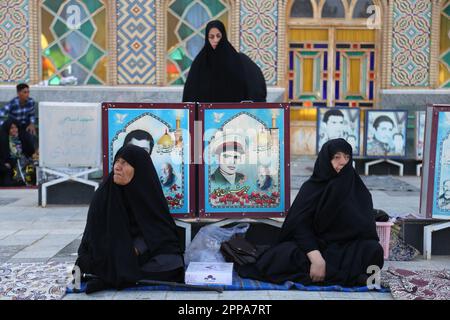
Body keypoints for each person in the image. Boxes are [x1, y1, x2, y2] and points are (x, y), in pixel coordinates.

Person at [237, 139, 384, 287]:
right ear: (326, 159)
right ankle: (349, 277)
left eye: (346, 157)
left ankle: (332, 275)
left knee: (373, 249)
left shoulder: (357, 188)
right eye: (337, 157)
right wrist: (316, 258)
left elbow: (365, 230)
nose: (343, 162)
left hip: (345, 249)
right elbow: (299, 226)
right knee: (280, 256)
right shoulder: (312, 187)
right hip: (314, 246)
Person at [76, 145, 184, 293]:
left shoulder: (147, 192)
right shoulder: (105, 194)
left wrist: (137, 248)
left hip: (140, 252)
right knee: (88, 263)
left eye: (125, 163)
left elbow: (159, 229)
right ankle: (117, 273)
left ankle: (115, 275)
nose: (118, 167)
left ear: (138, 168)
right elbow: (93, 234)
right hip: (109, 252)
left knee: (173, 263)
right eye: (117, 161)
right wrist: (119, 251)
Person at [182, 20, 266, 103]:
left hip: (235, 114)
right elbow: (189, 95)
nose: (215, 40)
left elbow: (256, 87)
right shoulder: (200, 64)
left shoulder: (239, 61)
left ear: (223, 36)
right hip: (205, 114)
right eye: (211, 37)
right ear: (207, 38)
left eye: (218, 36)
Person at [0, 118, 36, 186]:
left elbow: (30, 152)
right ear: (7, 129)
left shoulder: (22, 137)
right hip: (9, 167)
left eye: (16, 127)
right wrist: (4, 164)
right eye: (12, 128)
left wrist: (17, 140)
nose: (14, 130)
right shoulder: (2, 139)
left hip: (23, 165)